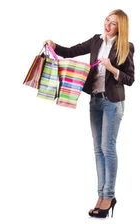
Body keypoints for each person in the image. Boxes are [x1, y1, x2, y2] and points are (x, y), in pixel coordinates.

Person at [44, 9, 134, 219]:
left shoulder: (125, 47)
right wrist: (54, 45)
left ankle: (109, 196)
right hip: (95, 100)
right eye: (107, 20)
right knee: (98, 149)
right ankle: (101, 195)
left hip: (113, 102)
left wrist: (112, 68)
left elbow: (130, 78)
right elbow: (71, 51)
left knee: (107, 148)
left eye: (113, 23)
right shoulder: (95, 41)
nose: (108, 25)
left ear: (120, 27)